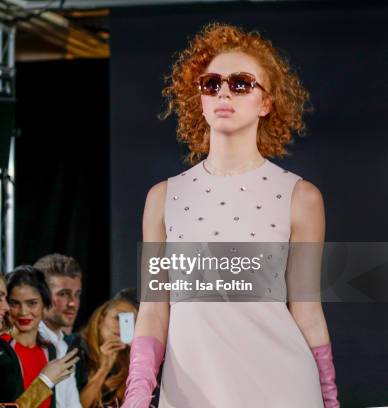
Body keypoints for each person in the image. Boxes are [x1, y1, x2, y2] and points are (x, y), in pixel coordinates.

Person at [123, 23, 339, 408]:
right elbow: (154, 308)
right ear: (199, 98)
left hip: (283, 388)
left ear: (267, 102)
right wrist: (137, 395)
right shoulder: (163, 198)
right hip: (191, 391)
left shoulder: (300, 197)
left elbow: (306, 309)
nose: (224, 91)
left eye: (241, 84)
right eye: (211, 83)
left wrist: (329, 398)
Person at [0, 264, 78, 407]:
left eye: (32, 303)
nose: (23, 312)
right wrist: (45, 381)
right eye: (13, 303)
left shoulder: (51, 349)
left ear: (45, 306)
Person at [34, 254, 83, 407]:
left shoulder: (62, 345)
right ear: (41, 294)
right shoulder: (27, 342)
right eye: (63, 294)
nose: (73, 303)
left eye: (77, 295)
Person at [79, 299, 137, 408]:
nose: (123, 325)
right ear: (101, 319)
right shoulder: (78, 348)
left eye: (130, 321)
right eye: (118, 317)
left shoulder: (129, 357)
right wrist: (103, 369)